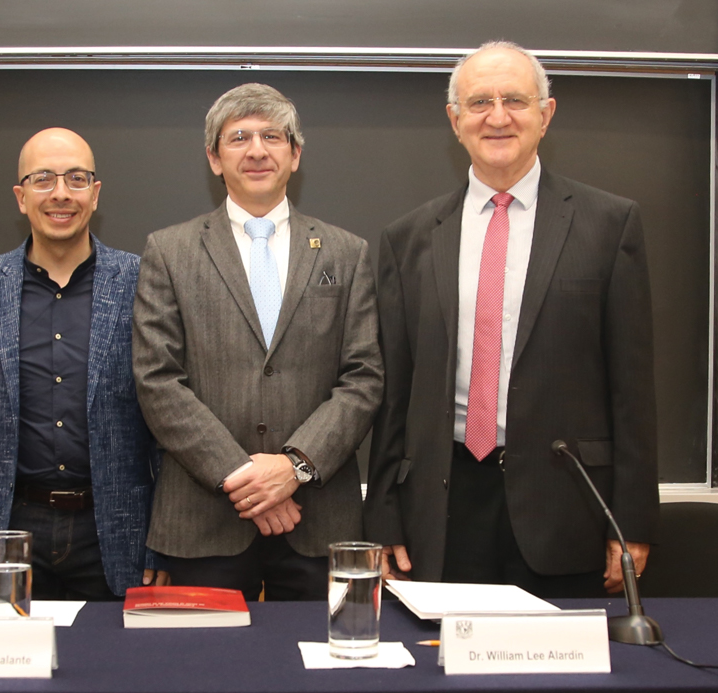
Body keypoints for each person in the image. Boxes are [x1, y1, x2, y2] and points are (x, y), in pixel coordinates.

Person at [364, 41, 659, 597]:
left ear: (546, 114)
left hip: (567, 508)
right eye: (479, 102)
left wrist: (633, 520)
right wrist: (381, 514)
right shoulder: (408, 238)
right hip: (442, 507)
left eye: (515, 101)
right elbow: (393, 392)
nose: (497, 117)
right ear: (455, 120)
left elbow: (633, 388)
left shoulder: (609, 224)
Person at [131, 84, 383, 601]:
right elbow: (157, 381)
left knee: (328, 653)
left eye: (272, 136)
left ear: (295, 153)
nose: (256, 150)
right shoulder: (169, 251)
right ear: (214, 158)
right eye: (239, 137)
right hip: (203, 522)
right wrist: (245, 477)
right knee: (207, 655)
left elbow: (363, 378)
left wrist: (294, 468)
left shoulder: (346, 252)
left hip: (319, 522)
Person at [0, 128, 163, 601]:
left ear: (95, 193)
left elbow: (164, 423)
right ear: (20, 196)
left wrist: (163, 541)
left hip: (117, 530)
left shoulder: (143, 283)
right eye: (43, 179)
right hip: (10, 528)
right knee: (10, 650)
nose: (61, 193)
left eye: (76, 178)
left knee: (113, 653)